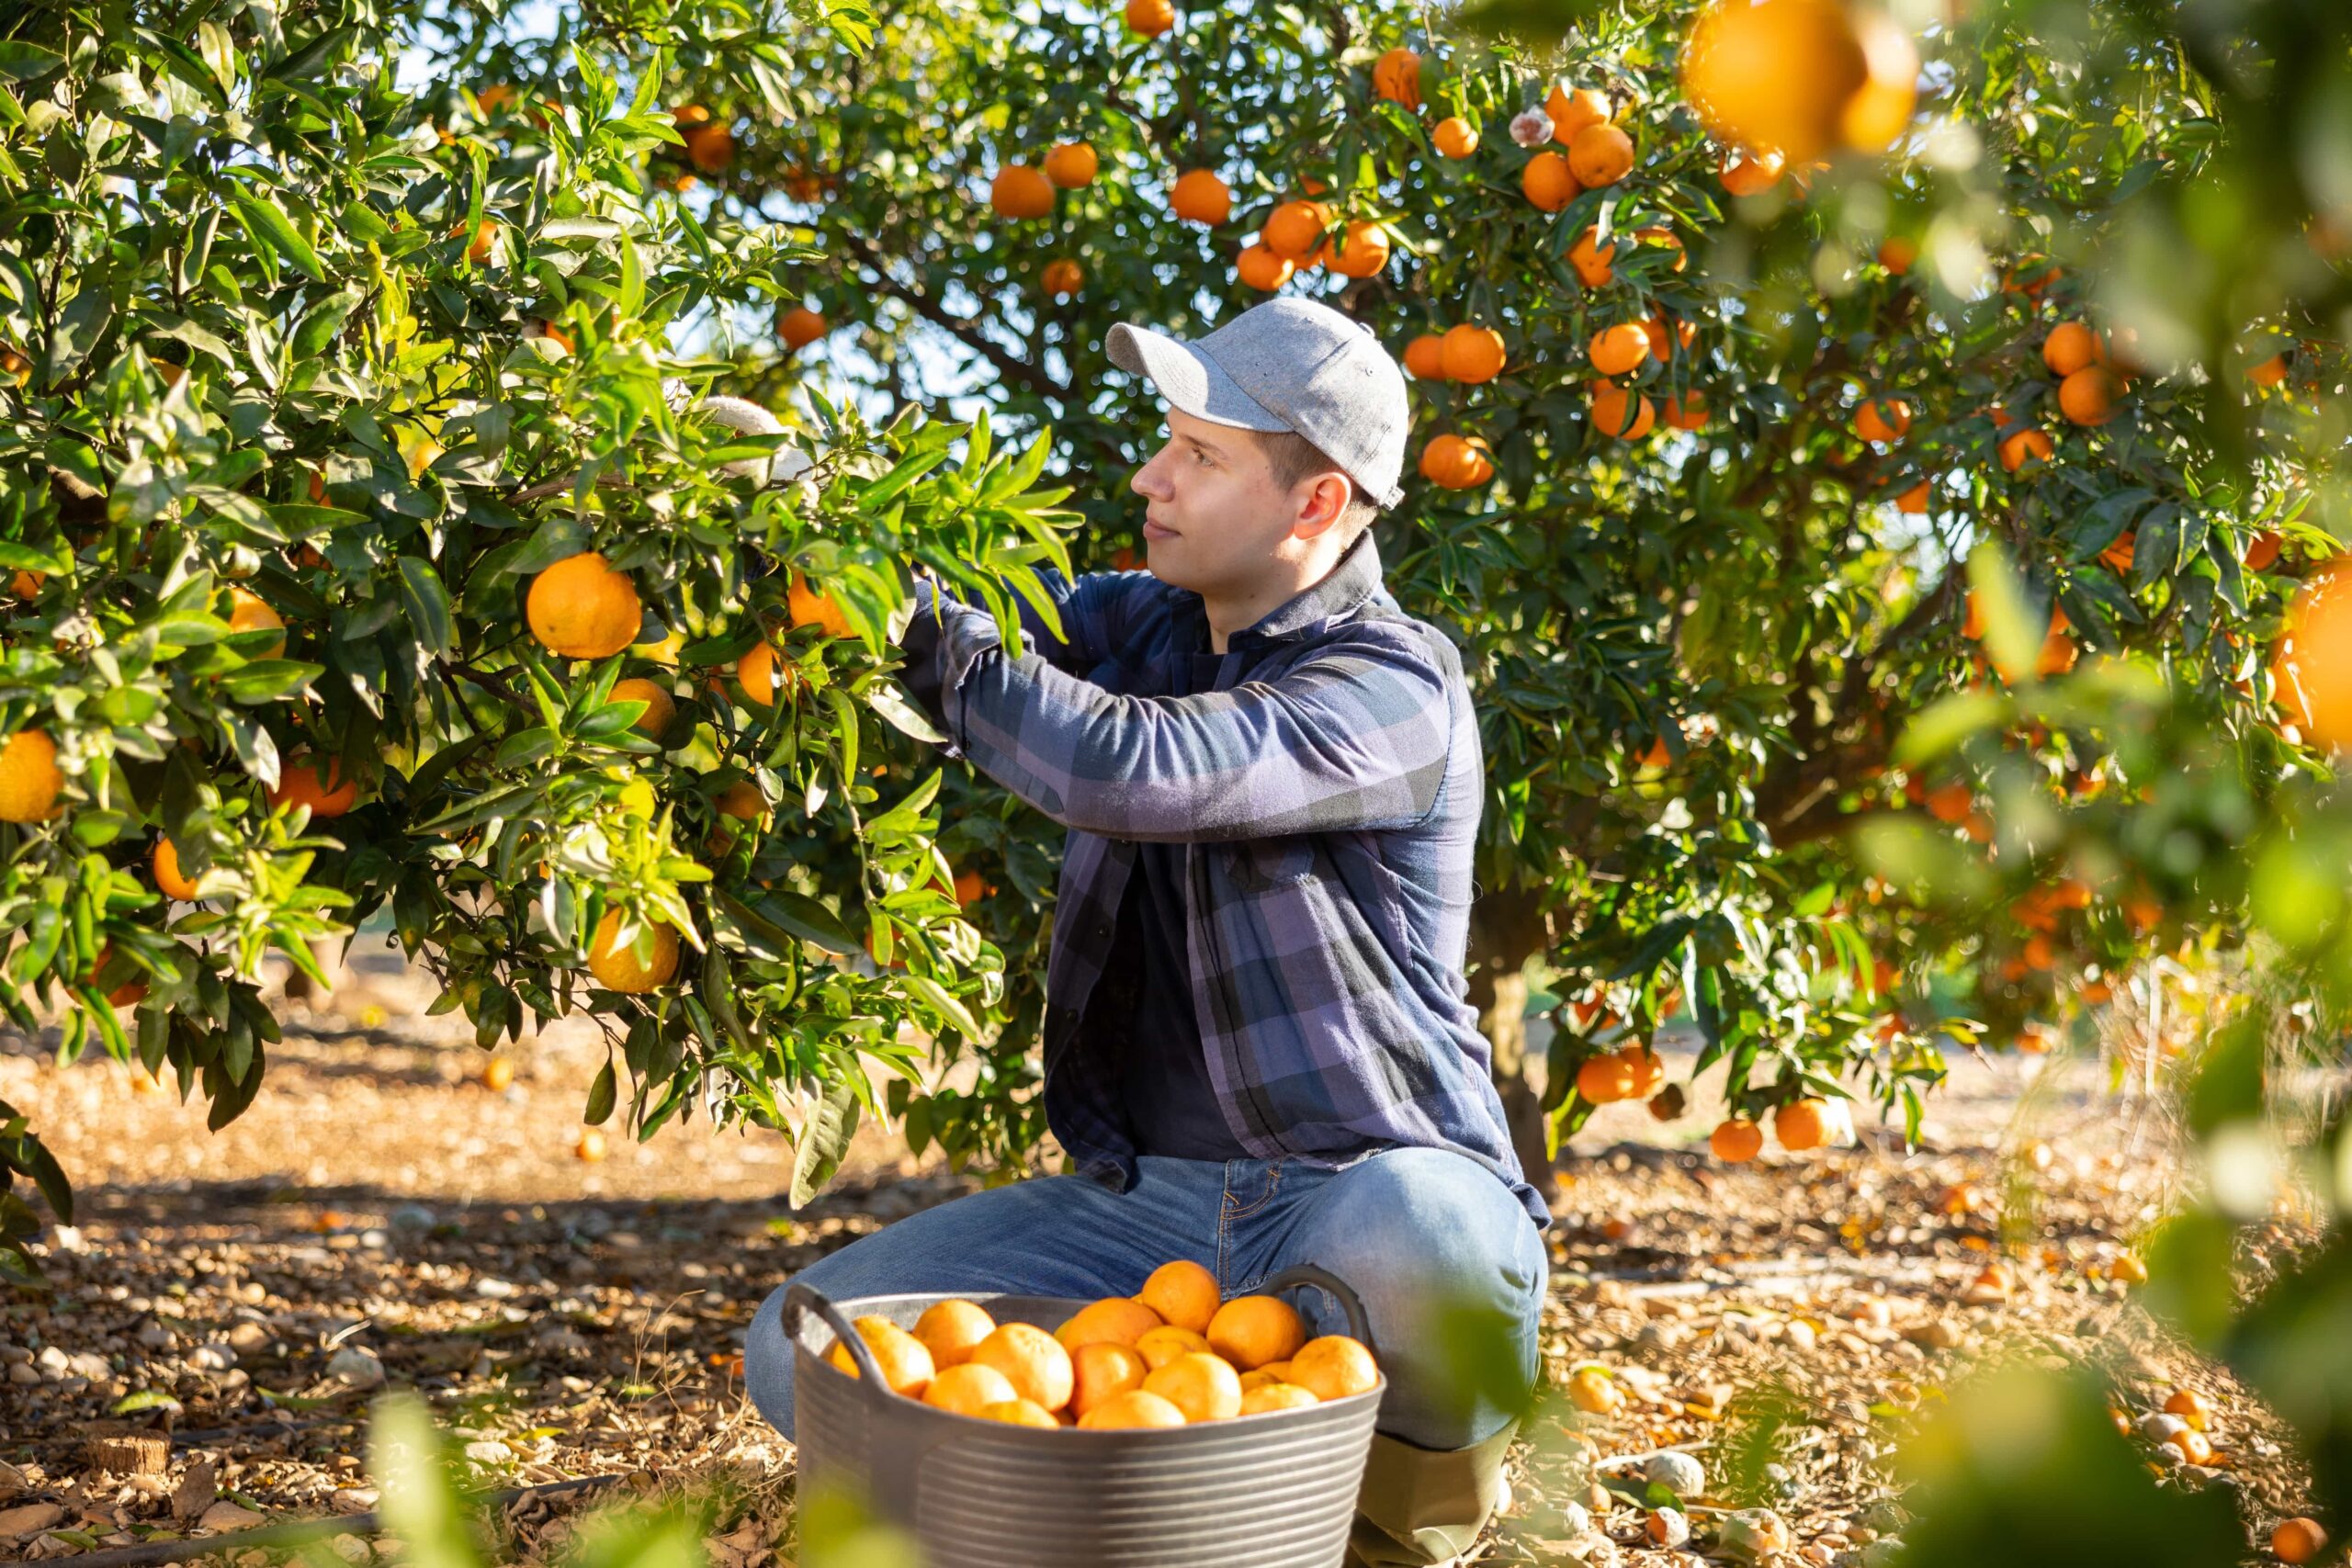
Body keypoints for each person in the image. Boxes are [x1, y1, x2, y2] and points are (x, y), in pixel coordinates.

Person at [744, 297, 1550, 1566]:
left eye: (1200, 455)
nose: (1150, 475)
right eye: (1167, 440)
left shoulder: (1394, 686)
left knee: (1425, 1243)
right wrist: (800, 511)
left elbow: (1133, 767)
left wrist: (923, 637)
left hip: (1354, 1196)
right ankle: (1145, 1490)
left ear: (1317, 507)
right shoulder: (1151, 625)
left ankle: (1393, 1513)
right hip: (1152, 1213)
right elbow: (978, 616)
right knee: (808, 1350)